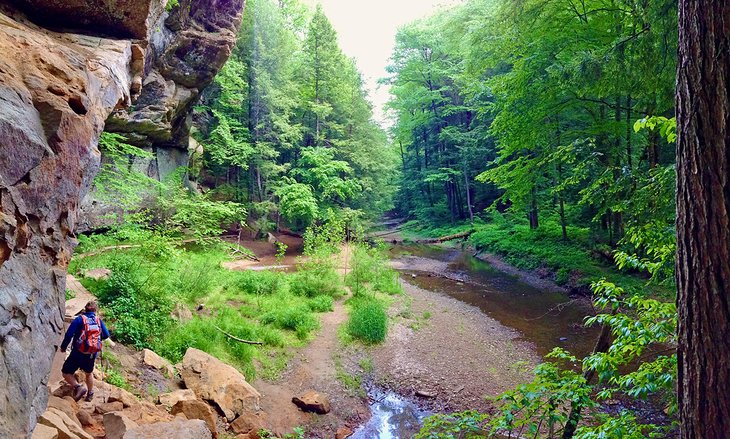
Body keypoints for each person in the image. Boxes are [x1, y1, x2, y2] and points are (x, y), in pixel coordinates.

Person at [59, 300, 110, 402]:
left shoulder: (79, 320)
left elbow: (69, 335)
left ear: (84, 309)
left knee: (66, 372)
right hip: (91, 353)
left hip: (78, 353)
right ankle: (90, 394)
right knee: (89, 373)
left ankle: (78, 387)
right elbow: (106, 335)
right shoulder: (98, 320)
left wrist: (63, 347)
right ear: (95, 310)